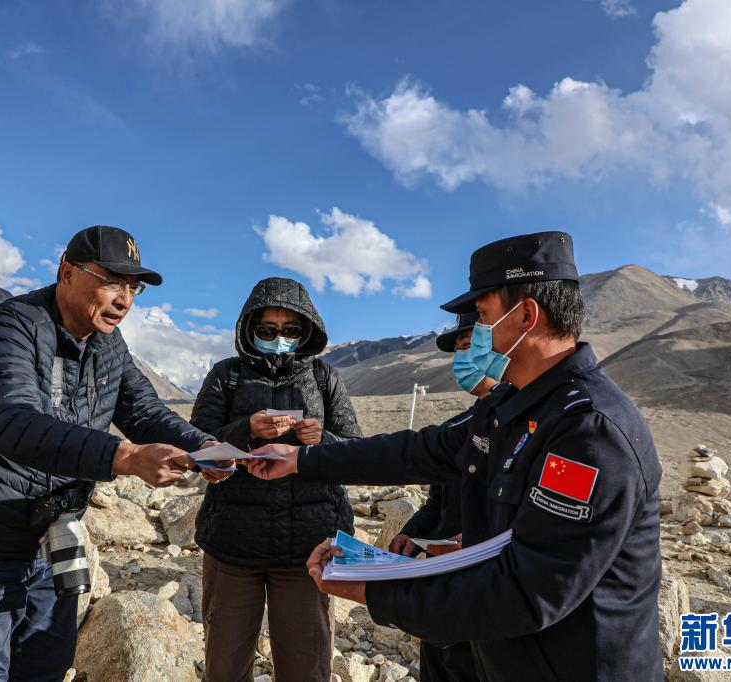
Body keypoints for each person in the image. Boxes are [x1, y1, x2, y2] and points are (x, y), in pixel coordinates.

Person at [247, 232, 663, 681]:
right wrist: (301, 460)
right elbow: (418, 451)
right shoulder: (509, 405)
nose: (477, 333)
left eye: (482, 316)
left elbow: (528, 592)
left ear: (526, 315)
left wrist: (374, 590)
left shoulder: (590, 434)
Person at [0, 225, 233, 681]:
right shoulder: (11, 327)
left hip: (52, 542)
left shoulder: (108, 344)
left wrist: (202, 445)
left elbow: (143, 410)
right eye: (112, 282)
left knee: (45, 669)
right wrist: (124, 458)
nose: (124, 300)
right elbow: (11, 423)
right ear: (67, 272)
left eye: (133, 287)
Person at [189, 276, 363, 682]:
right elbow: (197, 446)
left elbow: (356, 452)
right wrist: (246, 429)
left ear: (306, 331)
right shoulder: (226, 376)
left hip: (308, 550)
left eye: (290, 330)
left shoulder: (324, 378)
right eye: (268, 330)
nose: (279, 338)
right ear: (250, 329)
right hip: (233, 546)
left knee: (307, 667)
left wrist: (323, 439)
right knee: (224, 668)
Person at [387, 313, 486, 682]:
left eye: (471, 346)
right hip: (439, 585)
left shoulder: (527, 431)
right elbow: (435, 505)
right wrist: (411, 534)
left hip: (484, 596)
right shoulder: (455, 430)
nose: (463, 358)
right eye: (458, 350)